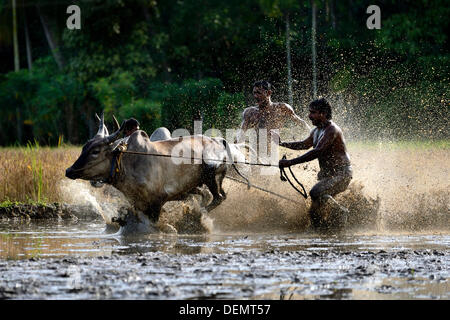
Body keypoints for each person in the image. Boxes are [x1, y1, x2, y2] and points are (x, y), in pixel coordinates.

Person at [278, 98, 352, 229]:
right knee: (319, 197)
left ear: (323, 113)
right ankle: (323, 226)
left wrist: (290, 162)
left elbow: (317, 151)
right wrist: (281, 143)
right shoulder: (317, 130)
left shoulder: (331, 130)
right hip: (328, 174)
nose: (309, 116)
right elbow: (304, 145)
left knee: (316, 192)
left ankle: (339, 214)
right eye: (309, 112)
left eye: (313, 112)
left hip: (341, 174)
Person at [236, 80, 310, 156]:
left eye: (258, 93)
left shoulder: (282, 108)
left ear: (268, 93)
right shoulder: (249, 112)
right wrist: (237, 149)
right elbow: (241, 133)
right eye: (254, 93)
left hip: (276, 153)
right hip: (256, 154)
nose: (255, 96)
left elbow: (300, 122)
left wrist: (313, 135)